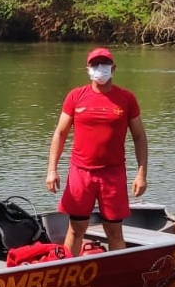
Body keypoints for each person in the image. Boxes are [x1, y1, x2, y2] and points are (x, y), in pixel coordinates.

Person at [46, 47, 148, 256]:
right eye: (95, 65)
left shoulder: (126, 99)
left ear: (113, 68)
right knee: (76, 228)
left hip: (112, 174)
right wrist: (52, 169)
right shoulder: (76, 96)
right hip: (81, 173)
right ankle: (68, 273)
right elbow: (60, 133)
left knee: (114, 231)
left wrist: (141, 174)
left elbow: (139, 136)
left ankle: (116, 276)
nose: (99, 69)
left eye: (104, 64)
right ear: (88, 69)